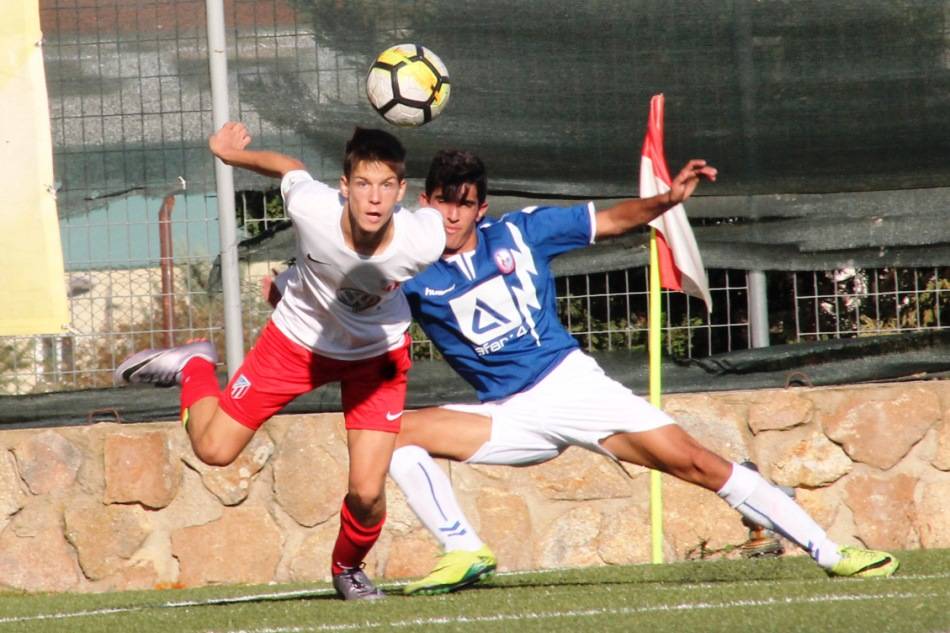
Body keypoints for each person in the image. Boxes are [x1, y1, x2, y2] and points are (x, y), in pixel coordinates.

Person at [385, 149, 899, 595]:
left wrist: (667, 201)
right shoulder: (406, 269)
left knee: (697, 464)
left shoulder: (520, 232)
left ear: (481, 208)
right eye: (443, 201)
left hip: (570, 387)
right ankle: (464, 548)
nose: (452, 215)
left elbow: (610, 220)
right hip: (508, 416)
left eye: (465, 203)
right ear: (425, 202)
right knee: (386, 432)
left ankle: (831, 552)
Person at [115, 121, 446, 600]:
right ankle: (195, 366)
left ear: (401, 191)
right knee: (214, 450)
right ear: (344, 188)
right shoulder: (312, 208)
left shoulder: (423, 238)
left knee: (368, 494)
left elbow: (457, 221)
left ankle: (347, 568)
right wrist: (229, 155)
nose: (374, 198)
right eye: (363, 183)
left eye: (386, 185)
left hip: (376, 357)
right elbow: (290, 169)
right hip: (295, 343)